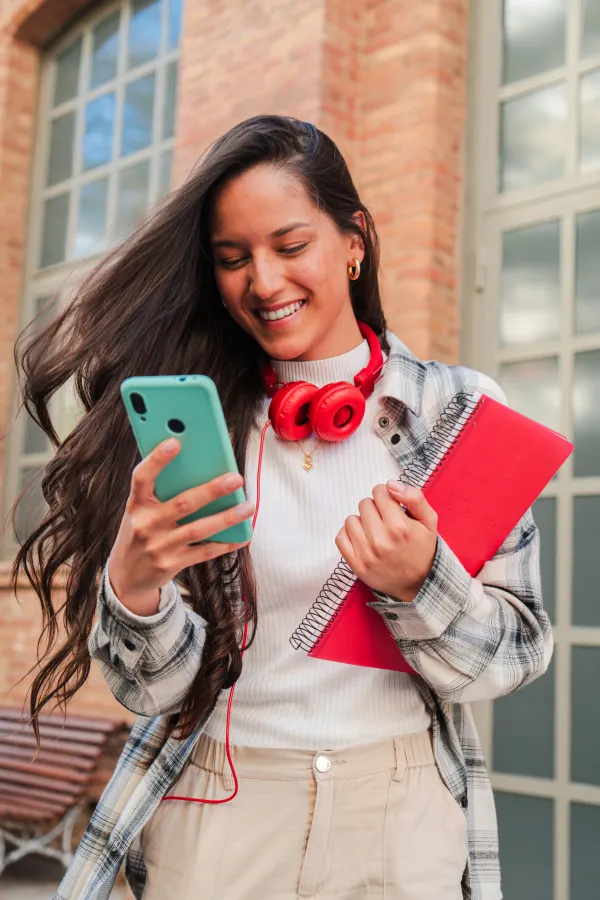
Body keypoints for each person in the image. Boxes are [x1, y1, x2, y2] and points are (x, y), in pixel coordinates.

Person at [13, 115, 552, 900]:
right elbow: (152, 692)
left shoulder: (461, 412)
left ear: (355, 239)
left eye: (290, 246)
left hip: (399, 811)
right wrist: (134, 591)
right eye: (233, 260)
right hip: (222, 802)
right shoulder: (190, 428)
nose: (263, 283)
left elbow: (515, 657)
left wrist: (422, 582)